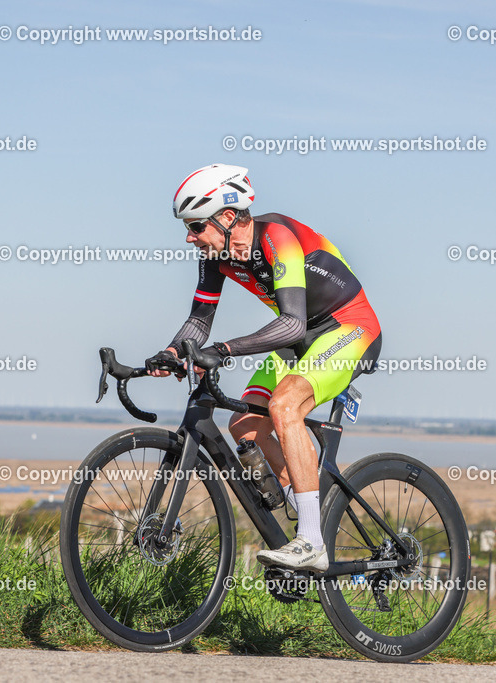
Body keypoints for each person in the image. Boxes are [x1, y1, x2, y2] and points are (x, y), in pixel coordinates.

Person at [147, 163, 382, 572]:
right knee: (246, 426)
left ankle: (312, 541)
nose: (189, 237)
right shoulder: (216, 256)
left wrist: (224, 349)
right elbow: (199, 321)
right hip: (302, 338)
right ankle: (307, 501)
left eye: (196, 226)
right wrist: (171, 352)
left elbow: (290, 322)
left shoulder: (277, 239)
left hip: (348, 326)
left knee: (285, 406)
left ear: (226, 217)